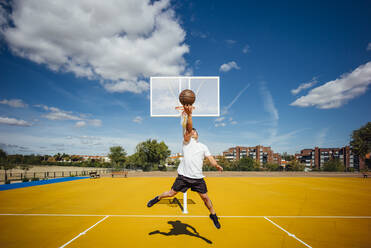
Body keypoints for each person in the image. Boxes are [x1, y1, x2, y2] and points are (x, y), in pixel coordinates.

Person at [147, 105, 223, 229]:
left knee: (205, 197)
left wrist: (216, 165)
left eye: (194, 132)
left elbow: (210, 159)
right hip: (184, 176)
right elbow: (188, 129)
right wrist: (189, 115)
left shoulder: (203, 146)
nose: (192, 132)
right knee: (171, 193)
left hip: (197, 178)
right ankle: (158, 198)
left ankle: (213, 215)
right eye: (191, 131)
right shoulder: (186, 142)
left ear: (197, 135)